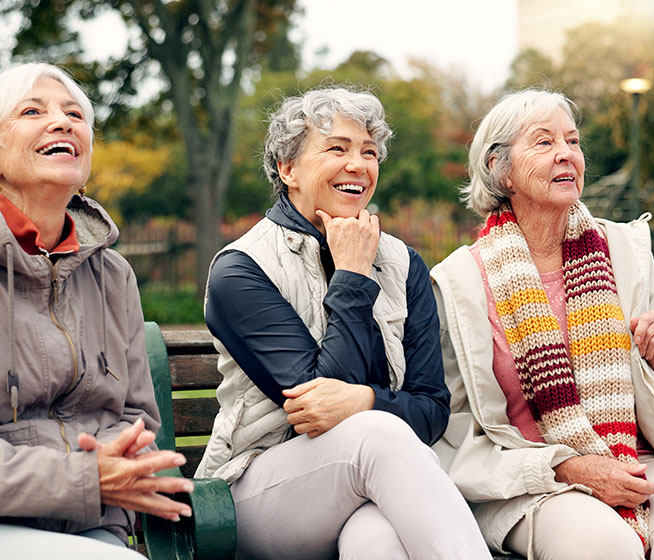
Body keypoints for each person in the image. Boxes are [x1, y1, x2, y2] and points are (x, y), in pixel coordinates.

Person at [430, 88, 654, 559]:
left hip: (632, 455)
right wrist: (570, 468)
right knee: (602, 547)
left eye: (573, 142)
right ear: (501, 170)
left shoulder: (626, 248)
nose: (566, 154)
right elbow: (454, 431)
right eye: (543, 142)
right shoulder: (457, 281)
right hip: (529, 477)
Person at [0, 63, 193, 560]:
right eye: (33, 111)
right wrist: (84, 477)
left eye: (74, 114)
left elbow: (137, 420)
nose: (63, 123)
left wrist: (114, 478)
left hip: (89, 527)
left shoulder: (114, 275)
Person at [195, 86, 491, 559]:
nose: (359, 165)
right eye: (337, 148)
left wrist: (368, 399)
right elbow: (316, 406)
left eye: (369, 152)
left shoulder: (403, 263)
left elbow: (433, 409)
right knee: (379, 433)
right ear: (287, 169)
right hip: (257, 492)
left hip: (372, 480)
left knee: (380, 541)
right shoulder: (242, 269)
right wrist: (352, 274)